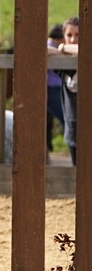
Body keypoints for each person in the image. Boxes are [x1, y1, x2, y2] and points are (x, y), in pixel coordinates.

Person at [49, 16, 79, 165]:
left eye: (78, 35)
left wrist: (62, 47)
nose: (73, 39)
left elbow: (83, 51)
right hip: (73, 131)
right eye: (69, 35)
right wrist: (61, 52)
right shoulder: (64, 64)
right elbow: (39, 48)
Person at [47, 23, 66, 153]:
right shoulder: (50, 46)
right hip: (52, 88)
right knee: (64, 116)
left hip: (55, 88)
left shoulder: (52, 46)